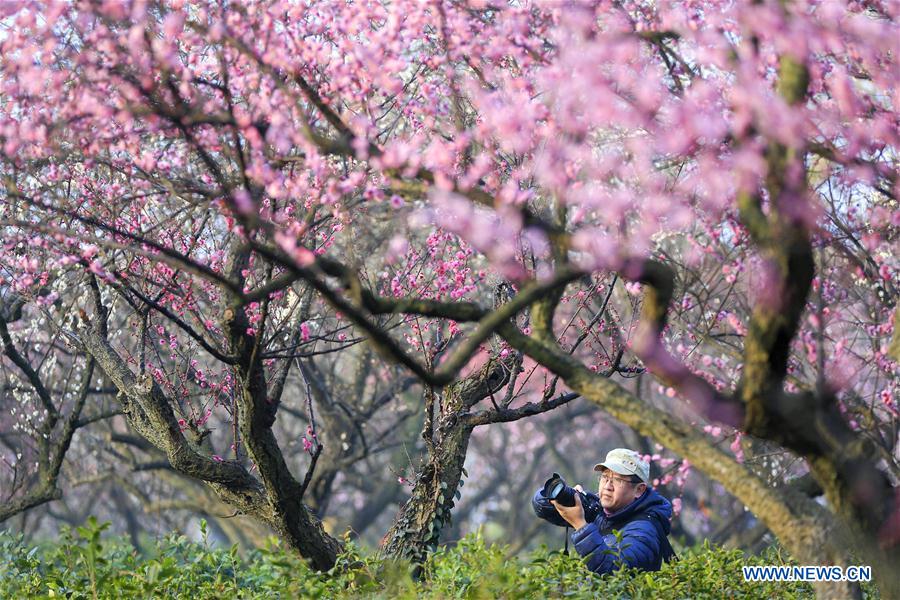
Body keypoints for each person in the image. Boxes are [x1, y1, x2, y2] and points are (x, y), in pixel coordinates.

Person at [532, 448, 675, 575]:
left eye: (618, 480)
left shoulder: (645, 530)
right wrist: (566, 497)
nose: (607, 486)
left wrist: (581, 525)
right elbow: (541, 507)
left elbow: (613, 571)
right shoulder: (601, 511)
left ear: (639, 489)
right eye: (605, 477)